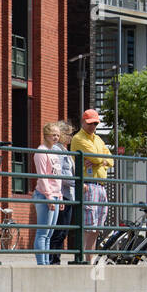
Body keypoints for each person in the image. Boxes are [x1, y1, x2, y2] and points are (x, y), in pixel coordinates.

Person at [70, 110, 113, 258]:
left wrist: (100, 161)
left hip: (100, 185)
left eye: (95, 123)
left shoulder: (98, 139)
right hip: (88, 184)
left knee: (97, 226)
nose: (92, 126)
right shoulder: (78, 138)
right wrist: (101, 160)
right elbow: (97, 157)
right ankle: (84, 258)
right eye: (90, 123)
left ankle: (91, 258)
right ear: (83, 122)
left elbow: (111, 159)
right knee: (89, 225)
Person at [32, 123, 64, 266]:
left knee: (50, 233)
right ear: (46, 135)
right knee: (43, 232)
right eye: (53, 135)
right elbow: (42, 176)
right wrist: (49, 196)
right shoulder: (41, 151)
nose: (56, 137)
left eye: (58, 135)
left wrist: (60, 195)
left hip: (55, 194)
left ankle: (46, 262)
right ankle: (42, 264)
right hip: (44, 194)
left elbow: (57, 176)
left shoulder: (55, 152)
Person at [49, 120, 76, 264]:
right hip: (62, 194)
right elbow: (58, 171)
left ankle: (55, 259)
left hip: (68, 194)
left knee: (63, 230)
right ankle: (53, 260)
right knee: (59, 230)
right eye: (69, 134)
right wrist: (76, 182)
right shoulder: (57, 150)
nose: (71, 137)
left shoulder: (63, 149)